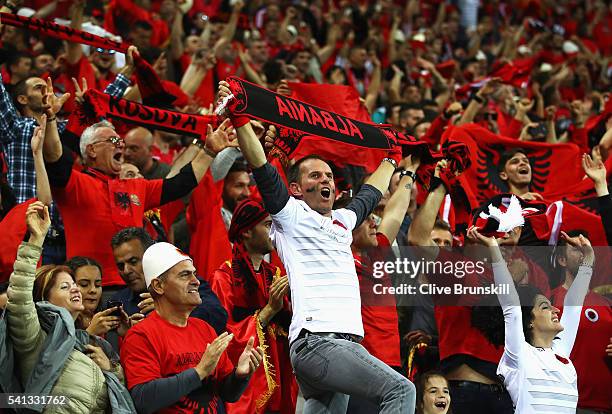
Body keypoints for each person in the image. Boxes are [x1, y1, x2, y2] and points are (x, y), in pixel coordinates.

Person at [221, 81, 416, 413]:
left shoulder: (342, 219)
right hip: (321, 342)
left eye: (328, 176)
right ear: (296, 188)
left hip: (330, 348)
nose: (325, 180)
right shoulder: (290, 214)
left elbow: (370, 194)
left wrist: (393, 158)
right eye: (314, 176)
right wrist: (240, 120)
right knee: (402, 391)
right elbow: (263, 169)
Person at [41, 107, 238, 288]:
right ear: (91, 150)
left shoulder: (136, 186)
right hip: (90, 288)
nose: (121, 146)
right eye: (114, 141)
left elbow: (181, 183)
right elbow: (55, 159)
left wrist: (209, 151)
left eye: (122, 141)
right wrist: (51, 119)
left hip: (136, 286)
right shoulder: (74, 183)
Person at [5, 201, 135, 412]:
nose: (76, 290)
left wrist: (112, 369)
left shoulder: (87, 343)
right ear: (45, 300)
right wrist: (36, 240)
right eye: (65, 287)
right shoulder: (36, 338)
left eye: (75, 284)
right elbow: (19, 295)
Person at [121, 241, 264, 413]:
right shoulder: (140, 336)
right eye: (184, 275)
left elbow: (227, 394)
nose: (196, 281)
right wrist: (199, 372)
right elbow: (143, 399)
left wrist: (240, 376)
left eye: (194, 274)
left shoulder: (204, 328)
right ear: (159, 286)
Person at [469, 222, 594, 413]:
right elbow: (510, 305)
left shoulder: (561, 352)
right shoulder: (518, 354)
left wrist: (589, 260)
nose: (555, 310)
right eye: (545, 306)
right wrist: (494, 249)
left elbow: (573, 306)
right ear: (529, 320)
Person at [210, 198, 296, 413]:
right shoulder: (224, 277)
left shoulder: (275, 274)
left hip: (280, 370)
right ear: (247, 231)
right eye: (268, 225)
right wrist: (269, 311)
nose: (274, 231)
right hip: (246, 380)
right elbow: (225, 336)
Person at [111, 226, 227, 333]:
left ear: (150, 257)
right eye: (121, 266)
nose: (126, 270)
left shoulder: (189, 283)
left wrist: (173, 310)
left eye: (133, 261)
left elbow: (218, 316)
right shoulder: (119, 304)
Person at [65, 255, 132, 337]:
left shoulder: (108, 321)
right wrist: (90, 333)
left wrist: (127, 334)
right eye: (84, 284)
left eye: (97, 285)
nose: (93, 290)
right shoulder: (60, 321)